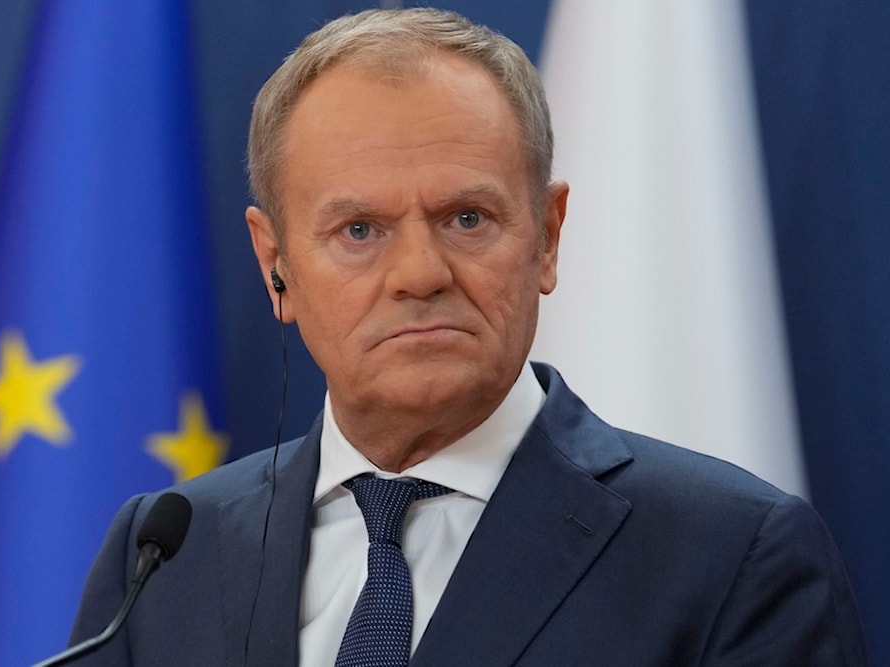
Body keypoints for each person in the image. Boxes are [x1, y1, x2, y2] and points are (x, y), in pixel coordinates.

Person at [69, 7, 868, 665]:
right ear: (275, 261)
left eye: (467, 218)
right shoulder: (166, 554)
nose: (420, 272)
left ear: (548, 237)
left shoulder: (731, 556)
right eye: (359, 229)